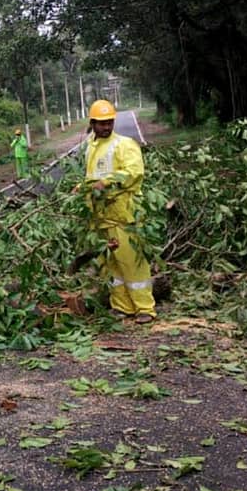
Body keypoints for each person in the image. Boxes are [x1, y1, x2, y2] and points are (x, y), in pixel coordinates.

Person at [81, 100, 156, 324]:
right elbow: (91, 177)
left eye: (109, 122)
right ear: (92, 124)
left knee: (133, 263)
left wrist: (107, 183)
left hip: (124, 216)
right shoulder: (91, 147)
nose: (106, 127)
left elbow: (133, 173)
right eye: (101, 123)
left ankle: (144, 308)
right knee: (111, 265)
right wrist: (83, 188)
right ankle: (122, 306)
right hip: (102, 217)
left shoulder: (124, 145)